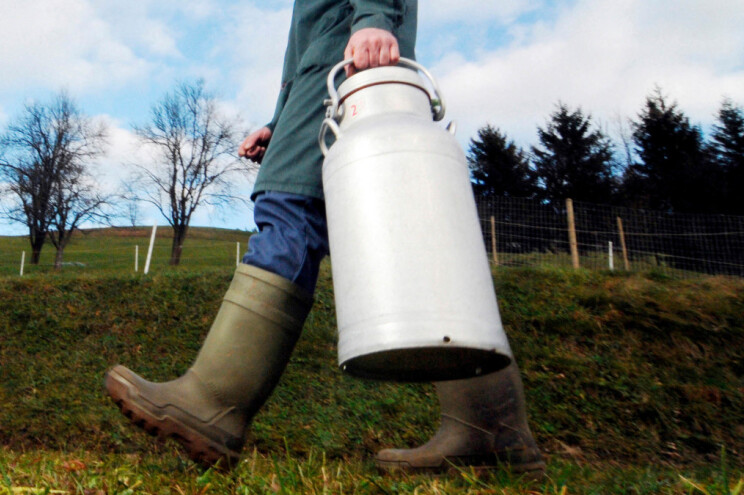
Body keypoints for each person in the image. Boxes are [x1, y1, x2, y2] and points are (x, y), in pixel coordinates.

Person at [105, 0, 544, 474]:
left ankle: (212, 403)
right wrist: (280, 119)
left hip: (344, 64)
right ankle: (492, 432)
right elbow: (305, 33)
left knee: (291, 210)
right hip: (326, 73)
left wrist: (374, 18)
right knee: (412, 237)